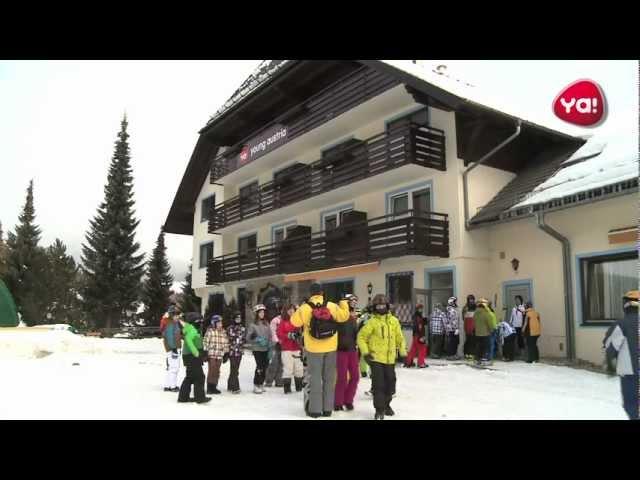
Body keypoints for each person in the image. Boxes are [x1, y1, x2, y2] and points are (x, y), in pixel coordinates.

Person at [290, 283, 350, 418]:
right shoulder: (331, 305)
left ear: (310, 294)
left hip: (313, 348)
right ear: (322, 293)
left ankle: (315, 410)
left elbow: (294, 322)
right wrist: (343, 302)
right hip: (331, 347)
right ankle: (327, 409)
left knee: (315, 379)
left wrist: (298, 308)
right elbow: (344, 316)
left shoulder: (305, 308)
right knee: (329, 378)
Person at [357, 294, 407, 420]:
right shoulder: (372, 322)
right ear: (374, 307)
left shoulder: (394, 321)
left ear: (387, 306)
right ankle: (379, 410)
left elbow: (400, 338)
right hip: (376, 358)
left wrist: (403, 353)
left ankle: (386, 404)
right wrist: (366, 353)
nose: (380, 308)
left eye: (383, 305)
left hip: (390, 358)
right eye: (378, 306)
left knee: (391, 384)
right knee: (378, 384)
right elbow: (361, 337)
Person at [603, 290, 639, 420]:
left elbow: (610, 345)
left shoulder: (622, 324)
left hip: (630, 373)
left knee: (631, 405)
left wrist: (610, 364)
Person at [334, 294, 361, 412]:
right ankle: (338, 402)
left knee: (355, 376)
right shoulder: (340, 314)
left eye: (356, 301)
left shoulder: (356, 315)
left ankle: (348, 400)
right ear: (346, 302)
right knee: (342, 378)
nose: (354, 303)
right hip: (341, 350)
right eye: (352, 301)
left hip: (352, 350)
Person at [177, 313, 211, 404]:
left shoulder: (193, 328)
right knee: (200, 377)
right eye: (199, 321)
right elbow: (188, 340)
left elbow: (197, 342)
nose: (201, 323)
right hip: (191, 356)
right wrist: (196, 353)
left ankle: (183, 397)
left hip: (189, 356)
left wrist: (202, 352)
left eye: (201, 321)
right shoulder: (192, 329)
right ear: (193, 321)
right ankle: (200, 398)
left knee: (190, 377)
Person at [277, 304, 304, 394]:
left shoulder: (298, 321)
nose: (291, 311)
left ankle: (299, 387)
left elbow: (302, 332)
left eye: (292, 309)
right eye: (289, 310)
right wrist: (288, 335)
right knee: (288, 368)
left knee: (299, 368)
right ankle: (287, 388)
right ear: (286, 311)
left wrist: (299, 335)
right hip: (287, 348)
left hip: (297, 347)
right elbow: (279, 333)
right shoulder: (283, 322)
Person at [246, 304, 273, 394]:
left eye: (263, 312)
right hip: (257, 349)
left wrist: (270, 347)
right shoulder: (253, 325)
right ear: (256, 313)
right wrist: (257, 339)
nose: (262, 314)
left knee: (265, 366)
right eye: (260, 312)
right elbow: (248, 337)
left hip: (266, 349)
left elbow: (270, 336)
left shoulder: (266, 323)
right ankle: (256, 384)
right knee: (259, 366)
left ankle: (261, 383)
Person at [203, 314, 230, 395]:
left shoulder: (223, 332)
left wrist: (226, 353)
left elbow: (226, 343)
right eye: (218, 323)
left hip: (220, 355)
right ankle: (209, 387)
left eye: (221, 322)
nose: (220, 324)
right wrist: (205, 352)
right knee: (212, 371)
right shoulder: (210, 331)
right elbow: (205, 342)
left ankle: (214, 386)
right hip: (212, 355)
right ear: (214, 323)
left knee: (217, 371)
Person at [162, 306, 182, 392]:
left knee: (170, 367)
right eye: (176, 315)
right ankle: (173, 386)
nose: (178, 317)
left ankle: (167, 385)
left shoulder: (174, 323)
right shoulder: (170, 324)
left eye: (178, 315)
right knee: (174, 368)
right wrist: (174, 349)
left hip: (172, 348)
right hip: (172, 348)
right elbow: (169, 337)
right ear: (171, 315)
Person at [226, 311, 246, 394]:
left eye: (239, 318)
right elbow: (227, 339)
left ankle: (230, 384)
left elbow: (244, 339)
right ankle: (235, 387)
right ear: (234, 319)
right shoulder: (230, 328)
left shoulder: (242, 328)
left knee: (235, 369)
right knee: (234, 368)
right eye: (237, 318)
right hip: (232, 351)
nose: (238, 319)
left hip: (239, 352)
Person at [264, 308, 284, 388]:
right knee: (274, 363)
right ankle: (269, 380)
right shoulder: (275, 320)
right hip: (275, 345)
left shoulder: (289, 320)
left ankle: (279, 381)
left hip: (285, 345)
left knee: (282, 364)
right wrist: (277, 341)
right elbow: (272, 332)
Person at [405, 303, 428, 368]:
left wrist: (424, 319)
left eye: (421, 308)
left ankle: (408, 362)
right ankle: (421, 363)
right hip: (419, 335)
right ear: (417, 309)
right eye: (420, 308)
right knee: (422, 349)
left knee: (413, 349)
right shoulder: (417, 317)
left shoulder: (418, 316)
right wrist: (421, 336)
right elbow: (418, 326)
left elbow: (423, 323)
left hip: (416, 335)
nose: (421, 309)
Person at [473, 298, 493, 366]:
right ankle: (485, 360)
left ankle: (477, 359)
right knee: (486, 347)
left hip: (477, 333)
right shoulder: (486, 313)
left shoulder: (475, 313)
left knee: (478, 347)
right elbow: (490, 322)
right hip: (485, 333)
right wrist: (491, 329)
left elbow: (474, 322)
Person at [358, 306, 371, 377]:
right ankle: (372, 372)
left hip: (363, 338)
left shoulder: (363, 317)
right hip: (371, 339)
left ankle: (363, 371)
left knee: (363, 355)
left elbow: (358, 327)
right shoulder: (375, 317)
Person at [462, 295, 476, 360]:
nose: (471, 301)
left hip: (474, 326)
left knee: (473, 341)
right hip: (468, 326)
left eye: (472, 299)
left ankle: (471, 354)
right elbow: (463, 318)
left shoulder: (475, 307)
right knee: (468, 341)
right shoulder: (465, 308)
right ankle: (467, 354)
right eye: (470, 299)